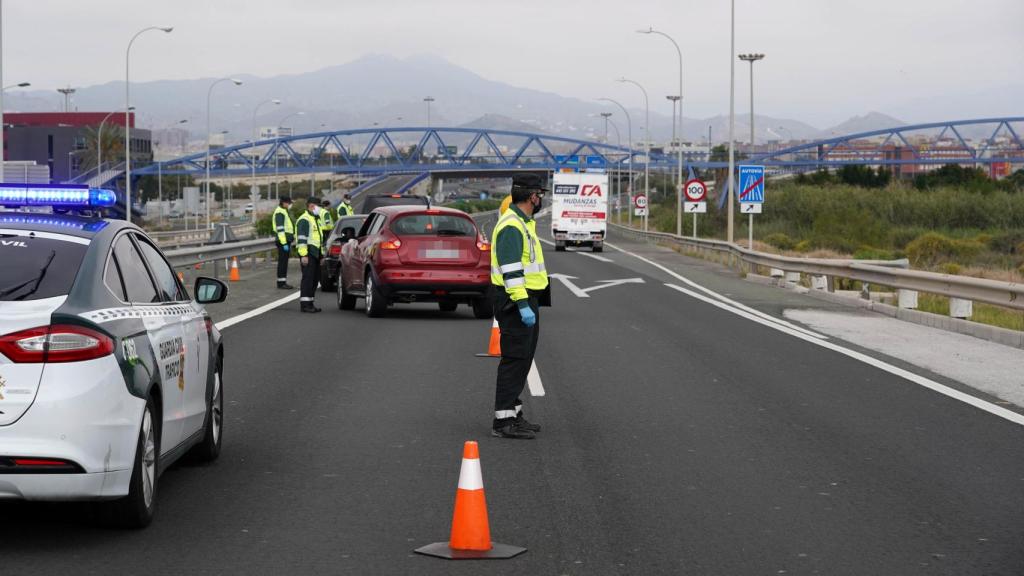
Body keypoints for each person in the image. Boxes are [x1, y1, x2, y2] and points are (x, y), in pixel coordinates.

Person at [489, 174, 549, 439]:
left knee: (523, 358)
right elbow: (511, 270)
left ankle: (513, 413)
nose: (540, 199)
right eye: (540, 194)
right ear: (532, 196)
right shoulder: (512, 226)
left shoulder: (523, 223)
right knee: (514, 359)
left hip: (525, 299)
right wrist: (522, 304)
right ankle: (503, 422)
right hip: (515, 301)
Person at [295, 197, 325, 313]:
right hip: (308, 253)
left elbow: (319, 240)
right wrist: (304, 255)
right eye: (319, 206)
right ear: (311, 206)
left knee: (314, 279)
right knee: (308, 279)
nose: (320, 208)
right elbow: (302, 239)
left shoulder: (316, 219)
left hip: (316, 253)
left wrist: (321, 255)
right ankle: (305, 305)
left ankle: (310, 303)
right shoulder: (304, 219)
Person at [273, 196, 295, 289]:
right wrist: (284, 243)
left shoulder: (284, 211)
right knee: (282, 263)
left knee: (284, 262)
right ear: (284, 203)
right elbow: (280, 229)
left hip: (285, 240)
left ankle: (282, 281)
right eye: (288, 203)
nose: (289, 205)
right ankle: (281, 283)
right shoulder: (280, 212)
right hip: (283, 241)